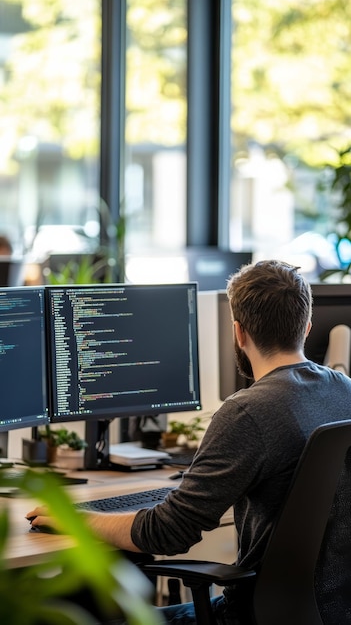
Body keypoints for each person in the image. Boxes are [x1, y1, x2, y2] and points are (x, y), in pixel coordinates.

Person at [26, 260, 351, 624]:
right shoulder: (345, 390)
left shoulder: (247, 412)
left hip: (246, 617)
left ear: (238, 332)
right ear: (306, 328)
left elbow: (167, 533)